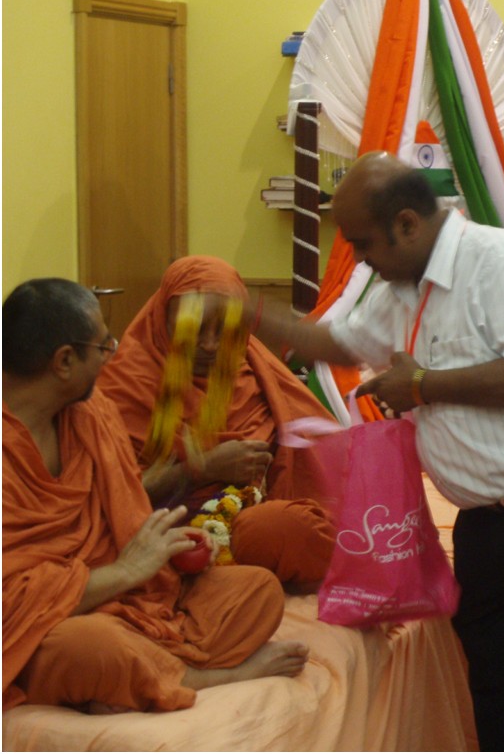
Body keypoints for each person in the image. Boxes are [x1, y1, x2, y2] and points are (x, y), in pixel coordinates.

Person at [251, 152, 504, 751]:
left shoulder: (502, 261)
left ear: (408, 224)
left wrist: (419, 386)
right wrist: (246, 310)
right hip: (486, 530)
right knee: (502, 700)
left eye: (363, 243)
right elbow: (338, 340)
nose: (358, 259)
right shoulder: (402, 287)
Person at [2, 278, 308, 713]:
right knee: (91, 646)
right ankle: (204, 677)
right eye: (102, 346)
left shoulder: (90, 413)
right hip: (48, 625)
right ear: (65, 361)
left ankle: (130, 678)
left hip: (123, 600)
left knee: (257, 591)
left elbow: (125, 517)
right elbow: (9, 602)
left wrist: (167, 552)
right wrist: (125, 572)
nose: (111, 356)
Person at [96, 257, 335, 588]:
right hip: (160, 533)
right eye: (191, 331)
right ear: (161, 321)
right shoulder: (125, 384)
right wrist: (200, 469)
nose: (209, 345)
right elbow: (104, 496)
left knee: (280, 526)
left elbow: (313, 471)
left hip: (244, 527)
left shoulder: (253, 370)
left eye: (224, 331)